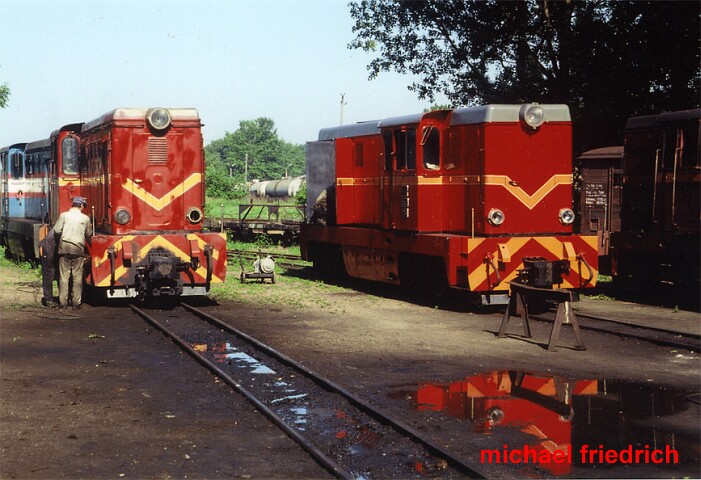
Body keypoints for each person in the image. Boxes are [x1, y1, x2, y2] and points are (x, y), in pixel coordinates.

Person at [54, 196, 93, 310]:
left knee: (64, 277)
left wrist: (59, 242)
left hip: (64, 248)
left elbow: (56, 230)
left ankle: (63, 303)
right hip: (78, 250)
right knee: (77, 277)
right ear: (81, 206)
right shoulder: (85, 219)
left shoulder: (64, 216)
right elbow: (88, 235)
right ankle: (76, 303)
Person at [39, 226, 58, 308]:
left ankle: (52, 299)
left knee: (56, 275)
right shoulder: (60, 230)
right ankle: (48, 300)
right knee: (48, 276)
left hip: (51, 252)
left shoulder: (59, 228)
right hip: (48, 254)